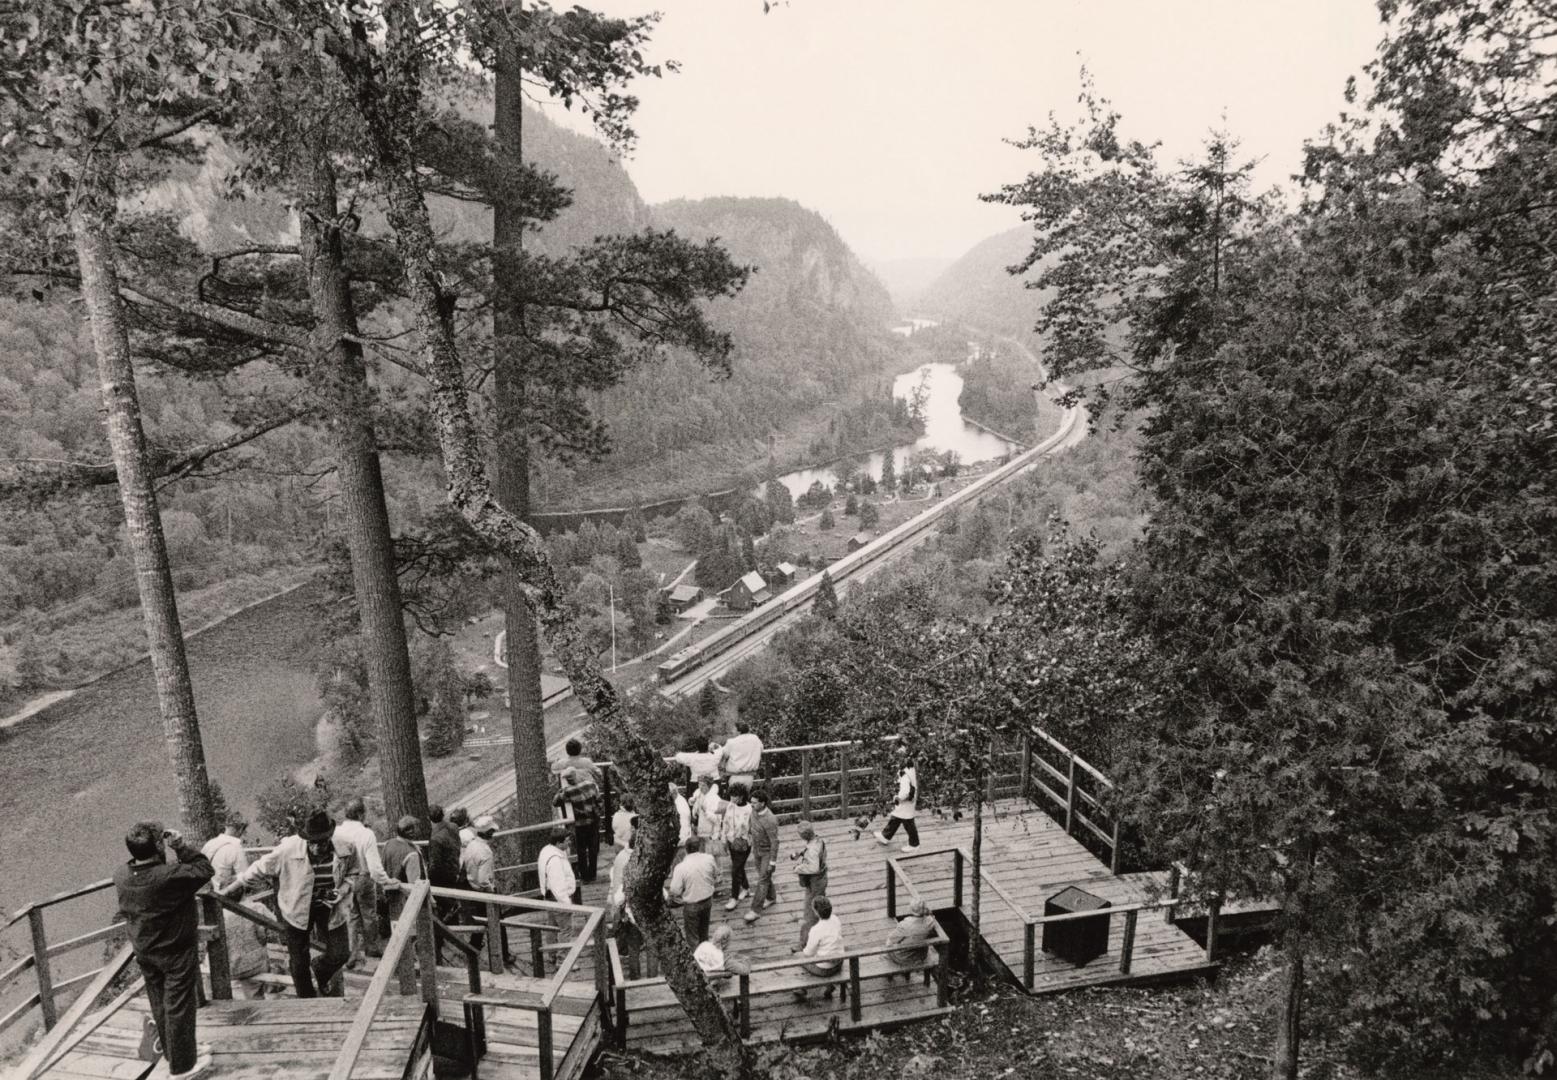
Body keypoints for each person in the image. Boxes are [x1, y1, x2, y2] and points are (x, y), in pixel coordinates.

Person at [113, 823, 214, 1079]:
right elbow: (205, 869)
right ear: (159, 846)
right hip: (174, 951)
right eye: (161, 841)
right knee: (179, 1006)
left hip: (145, 949)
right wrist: (180, 846)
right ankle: (182, 1069)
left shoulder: (122, 875)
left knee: (160, 1003)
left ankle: (176, 1053)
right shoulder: (168, 876)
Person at [225, 808, 359, 999]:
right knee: (298, 959)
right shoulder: (288, 849)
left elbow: (354, 873)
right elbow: (258, 869)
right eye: (312, 842)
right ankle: (306, 999)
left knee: (340, 953)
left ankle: (320, 970)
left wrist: (343, 890)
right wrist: (228, 891)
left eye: (322, 842)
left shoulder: (346, 847)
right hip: (296, 908)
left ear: (330, 836)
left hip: (330, 907)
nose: (316, 847)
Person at [336, 797, 393, 966]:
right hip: (363, 876)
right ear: (361, 815)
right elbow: (374, 866)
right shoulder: (366, 834)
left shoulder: (337, 832)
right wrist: (386, 881)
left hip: (344, 879)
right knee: (369, 914)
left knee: (352, 915)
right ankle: (372, 946)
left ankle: (351, 952)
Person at [538, 824, 578, 967]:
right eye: (567, 841)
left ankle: (552, 955)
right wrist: (567, 904)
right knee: (566, 930)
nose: (570, 843)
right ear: (558, 843)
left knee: (553, 927)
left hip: (549, 896)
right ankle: (563, 960)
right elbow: (558, 886)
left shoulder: (546, 850)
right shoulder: (555, 860)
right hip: (558, 897)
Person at [666, 837, 719, 944]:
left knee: (693, 938)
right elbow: (715, 875)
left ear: (686, 849)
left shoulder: (681, 867)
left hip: (691, 905)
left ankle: (696, 958)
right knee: (704, 934)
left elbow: (675, 890)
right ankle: (705, 955)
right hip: (707, 901)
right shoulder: (709, 858)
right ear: (700, 847)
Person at [554, 766, 602, 883]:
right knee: (593, 848)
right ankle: (593, 874)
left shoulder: (568, 792)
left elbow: (555, 802)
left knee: (581, 850)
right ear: (576, 775)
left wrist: (560, 791)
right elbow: (599, 800)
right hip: (593, 821)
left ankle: (584, 877)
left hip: (580, 824)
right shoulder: (590, 785)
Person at [793, 895, 845, 1001]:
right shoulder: (836, 919)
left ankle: (803, 988)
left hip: (825, 968)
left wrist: (801, 951)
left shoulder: (816, 929)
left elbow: (808, 953)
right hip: (839, 962)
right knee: (820, 950)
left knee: (798, 957)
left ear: (816, 912)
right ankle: (829, 986)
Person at [426, 804, 462, 955]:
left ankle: (443, 936)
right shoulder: (453, 827)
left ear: (429, 818)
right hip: (454, 869)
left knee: (441, 905)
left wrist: (428, 876)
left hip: (441, 876)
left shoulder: (435, 838)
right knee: (451, 899)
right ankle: (455, 929)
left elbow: (435, 864)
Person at [379, 814, 423, 928]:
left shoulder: (389, 843)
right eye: (416, 827)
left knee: (396, 926)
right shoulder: (411, 853)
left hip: (390, 895)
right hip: (405, 898)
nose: (419, 830)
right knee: (410, 929)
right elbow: (414, 884)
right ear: (410, 831)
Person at [743, 790, 780, 923]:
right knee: (763, 875)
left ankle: (755, 910)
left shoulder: (770, 820)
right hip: (756, 850)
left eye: (754, 803)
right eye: (751, 802)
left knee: (762, 880)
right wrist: (748, 834)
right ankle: (771, 897)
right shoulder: (754, 811)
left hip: (767, 852)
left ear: (762, 804)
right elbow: (750, 822)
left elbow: (775, 842)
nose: (751, 805)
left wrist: (772, 862)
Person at [791, 821, 829, 948]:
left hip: (815, 881)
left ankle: (804, 943)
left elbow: (813, 868)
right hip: (822, 878)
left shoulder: (812, 850)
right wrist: (800, 854)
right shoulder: (818, 840)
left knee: (809, 913)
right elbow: (810, 849)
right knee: (819, 908)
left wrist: (798, 868)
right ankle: (822, 934)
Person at [874, 760, 921, 852]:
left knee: (908, 822)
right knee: (897, 817)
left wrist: (898, 798)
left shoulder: (905, 775)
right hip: (908, 800)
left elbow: (905, 791)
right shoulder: (910, 770)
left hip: (905, 800)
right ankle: (885, 835)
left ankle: (914, 844)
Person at [720, 784, 753, 913]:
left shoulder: (750, 809)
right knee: (738, 867)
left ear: (742, 796)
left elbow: (752, 828)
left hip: (744, 844)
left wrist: (746, 839)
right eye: (731, 796)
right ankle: (746, 888)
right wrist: (724, 839)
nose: (732, 799)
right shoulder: (730, 806)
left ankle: (733, 897)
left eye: (735, 796)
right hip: (730, 841)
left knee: (735, 870)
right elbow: (725, 823)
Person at [885, 898, 938, 976]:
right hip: (921, 955)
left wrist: (888, 942)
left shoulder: (904, 925)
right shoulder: (929, 921)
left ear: (911, 910)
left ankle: (890, 970)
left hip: (904, 958)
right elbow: (931, 916)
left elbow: (892, 939)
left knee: (889, 943)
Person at [200, 810, 250, 890]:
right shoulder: (236, 847)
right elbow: (246, 877)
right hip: (225, 896)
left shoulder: (209, 843)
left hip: (208, 894)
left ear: (226, 826)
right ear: (240, 829)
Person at [718, 715, 764, 787]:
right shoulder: (755, 738)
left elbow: (724, 753)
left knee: (734, 797)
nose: (732, 731)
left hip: (734, 776)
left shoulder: (732, 742)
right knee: (745, 796)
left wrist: (716, 747)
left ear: (738, 731)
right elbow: (761, 749)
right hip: (750, 776)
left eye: (734, 729)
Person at [691, 775, 724, 851]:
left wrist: (706, 812)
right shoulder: (699, 795)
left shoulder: (715, 799)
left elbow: (717, 820)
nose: (700, 787)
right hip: (700, 832)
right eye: (699, 784)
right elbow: (695, 812)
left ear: (709, 786)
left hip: (711, 834)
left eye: (703, 785)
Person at [670, 782, 693, 846]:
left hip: (682, 836)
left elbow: (685, 823)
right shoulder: (674, 801)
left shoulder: (681, 804)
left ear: (673, 793)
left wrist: (682, 839)